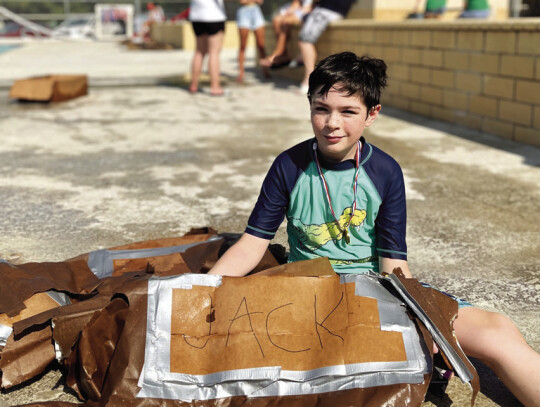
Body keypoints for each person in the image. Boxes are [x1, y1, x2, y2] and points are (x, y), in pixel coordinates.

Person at [209, 52, 540, 407]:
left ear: (372, 115)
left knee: (497, 332)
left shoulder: (384, 171)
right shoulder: (289, 165)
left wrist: (421, 318)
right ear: (309, 107)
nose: (331, 123)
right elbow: (251, 244)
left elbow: (392, 263)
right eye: (321, 108)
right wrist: (204, 289)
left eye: (348, 111)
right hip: (307, 292)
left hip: (373, 290)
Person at [297, 0, 356, 94]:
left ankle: (308, 80)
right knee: (305, 25)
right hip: (335, 12)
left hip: (326, 12)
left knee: (305, 40)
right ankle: (301, 56)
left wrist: (308, 5)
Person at [259, 0, 313, 69]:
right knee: (276, 20)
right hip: (301, 8)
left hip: (310, 9)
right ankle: (284, 54)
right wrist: (290, 10)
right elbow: (295, 4)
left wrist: (293, 11)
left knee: (285, 21)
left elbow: (309, 6)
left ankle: (279, 53)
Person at [188, 0, 226, 95]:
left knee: (199, 51)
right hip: (213, 16)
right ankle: (215, 87)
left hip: (196, 16)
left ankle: (193, 85)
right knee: (214, 52)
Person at [236, 0, 269, 83]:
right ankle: (241, 73)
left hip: (256, 12)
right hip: (243, 12)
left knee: (261, 45)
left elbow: (260, 1)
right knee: (243, 45)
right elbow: (243, 1)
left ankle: (265, 71)